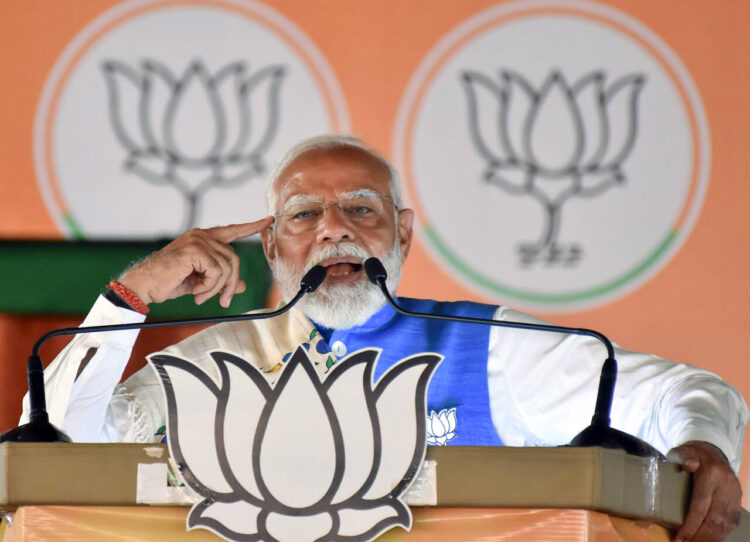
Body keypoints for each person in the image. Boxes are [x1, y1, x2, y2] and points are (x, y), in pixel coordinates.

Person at [21, 135, 748, 541]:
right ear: (271, 248)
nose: (334, 227)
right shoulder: (214, 363)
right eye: (304, 215)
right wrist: (132, 295)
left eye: (361, 209)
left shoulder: (485, 347)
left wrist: (703, 444)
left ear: (400, 233)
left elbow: (686, 393)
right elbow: (48, 445)